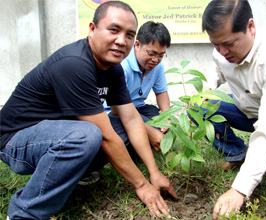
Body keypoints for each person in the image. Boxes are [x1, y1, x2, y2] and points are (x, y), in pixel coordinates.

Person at [0, 2, 177, 220]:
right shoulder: (74, 63)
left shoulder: (112, 69)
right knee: (90, 135)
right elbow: (104, 137)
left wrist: (154, 173)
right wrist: (142, 185)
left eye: (129, 34)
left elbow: (131, 119)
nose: (121, 41)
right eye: (114, 30)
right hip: (15, 140)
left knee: (121, 126)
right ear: (92, 29)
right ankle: (23, 213)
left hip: (57, 133)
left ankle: (68, 177)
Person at [199, 0, 266, 219]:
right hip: (246, 110)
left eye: (229, 44)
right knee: (199, 107)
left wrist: (239, 190)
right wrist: (203, 91)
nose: (223, 51)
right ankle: (238, 152)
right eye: (216, 45)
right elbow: (214, 73)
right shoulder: (221, 52)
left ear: (251, 27)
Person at [104, 20, 171, 152]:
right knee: (141, 132)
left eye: (161, 55)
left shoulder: (157, 66)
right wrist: (148, 130)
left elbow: (161, 92)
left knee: (161, 125)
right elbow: (116, 110)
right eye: (151, 54)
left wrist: (167, 116)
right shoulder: (122, 66)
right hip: (115, 112)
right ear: (137, 44)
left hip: (139, 107)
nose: (155, 60)